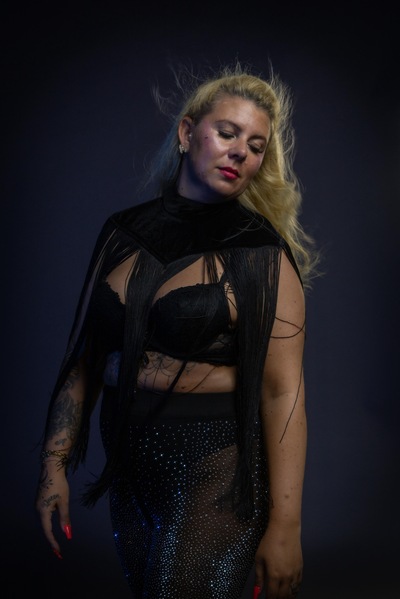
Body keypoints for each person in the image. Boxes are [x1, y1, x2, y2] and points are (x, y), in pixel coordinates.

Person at [35, 61, 319, 599]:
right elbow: (85, 359)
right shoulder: (123, 232)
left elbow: (283, 392)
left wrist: (286, 526)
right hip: (130, 468)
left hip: (216, 470)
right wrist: (53, 466)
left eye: (256, 146)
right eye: (227, 133)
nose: (240, 152)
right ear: (188, 134)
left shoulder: (262, 255)